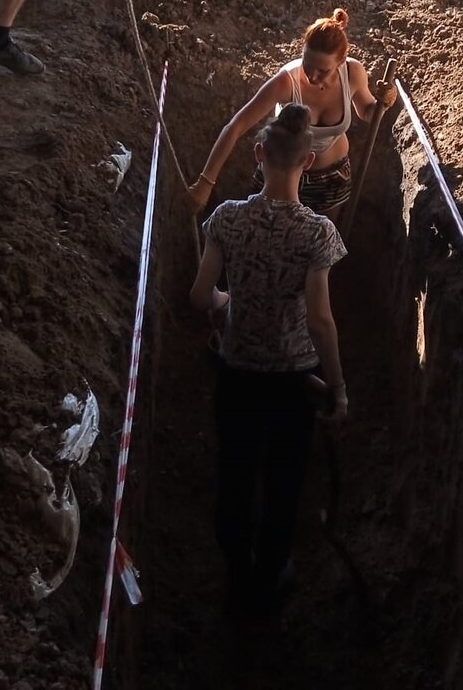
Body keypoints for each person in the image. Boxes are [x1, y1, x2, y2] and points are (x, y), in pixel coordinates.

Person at [189, 103, 349, 621]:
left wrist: (225, 304)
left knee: (235, 473)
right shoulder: (317, 232)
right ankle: (271, 574)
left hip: (237, 375)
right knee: (284, 481)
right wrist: (339, 387)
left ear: (259, 155)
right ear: (308, 161)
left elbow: (200, 295)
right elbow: (321, 321)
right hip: (292, 382)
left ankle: (235, 572)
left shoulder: (227, 219)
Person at [186, 8, 396, 222]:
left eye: (323, 70)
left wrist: (385, 102)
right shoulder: (286, 82)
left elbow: (368, 112)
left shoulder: (353, 73)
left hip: (333, 178)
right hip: (282, 177)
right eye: (308, 64)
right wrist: (205, 182)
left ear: (341, 62)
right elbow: (236, 126)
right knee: (271, 235)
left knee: (321, 242)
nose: (312, 75)